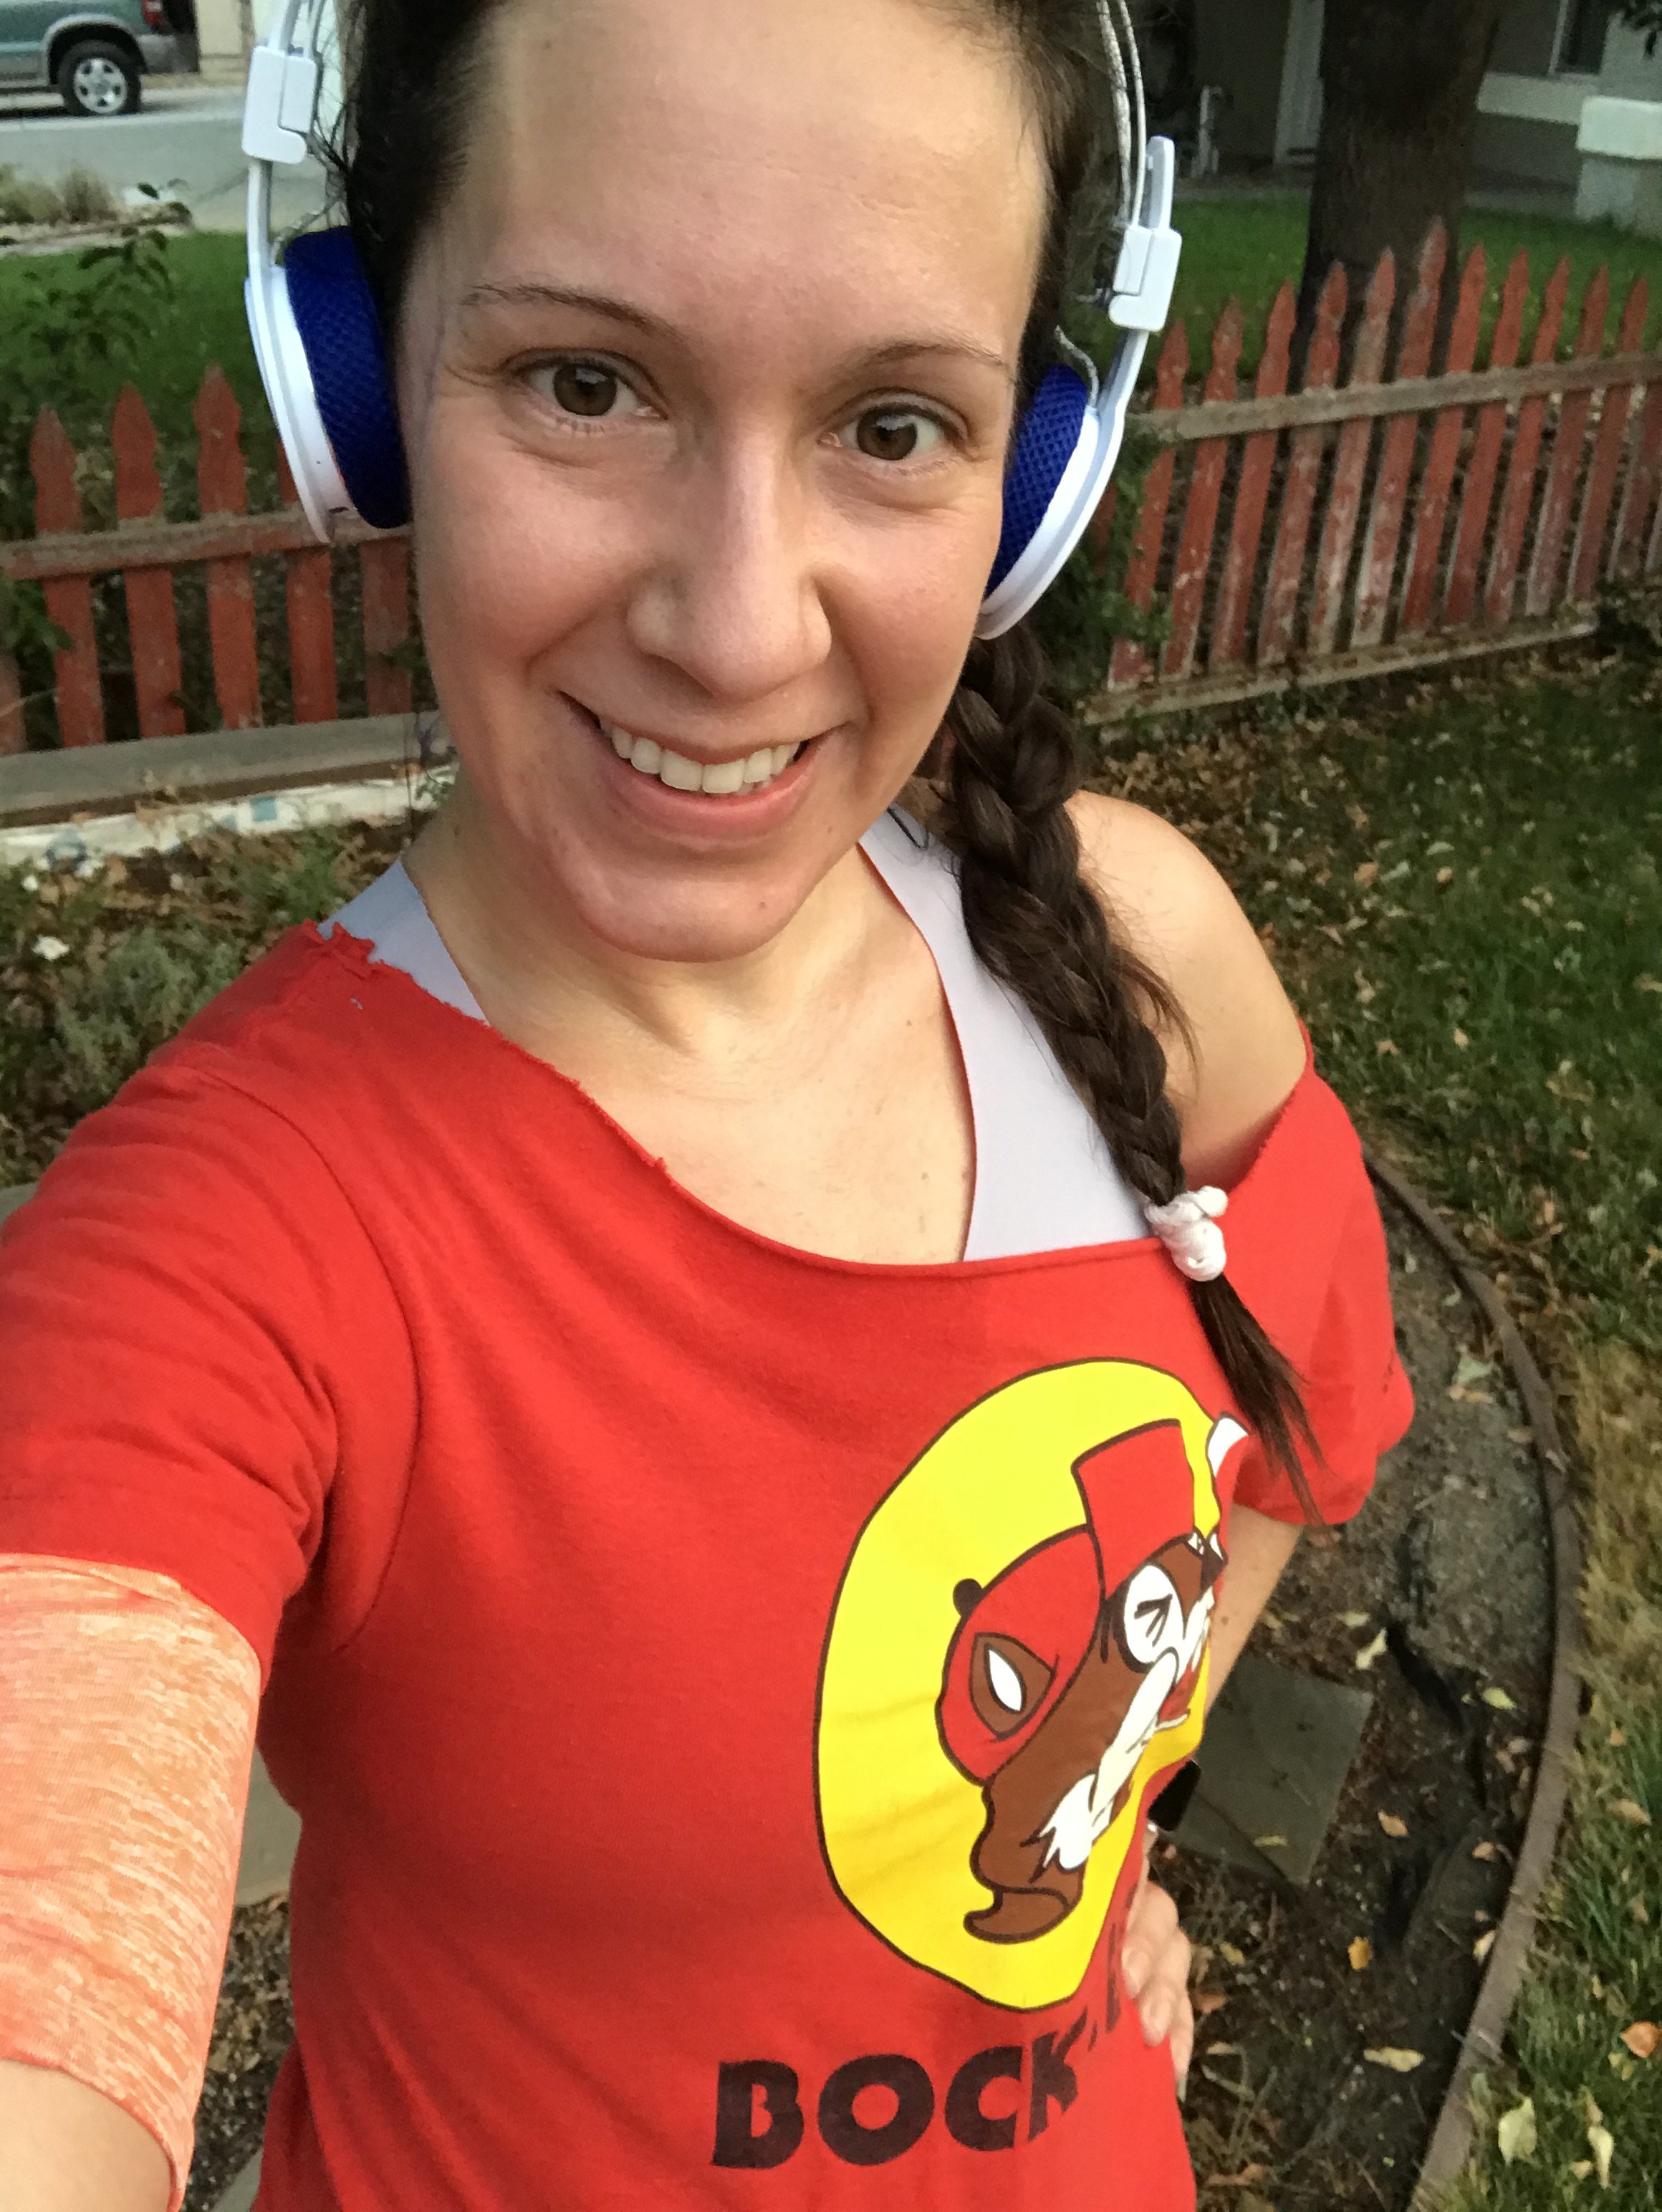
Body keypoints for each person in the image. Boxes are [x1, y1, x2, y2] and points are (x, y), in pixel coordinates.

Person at [0, 1, 1413, 2206]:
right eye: (586, 383)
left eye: (894, 423)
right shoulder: (221, 1244)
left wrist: (1115, 1798)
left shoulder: (1134, 968)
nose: (739, 628)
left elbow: (1303, 1404)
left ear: (1032, 477)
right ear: (360, 378)